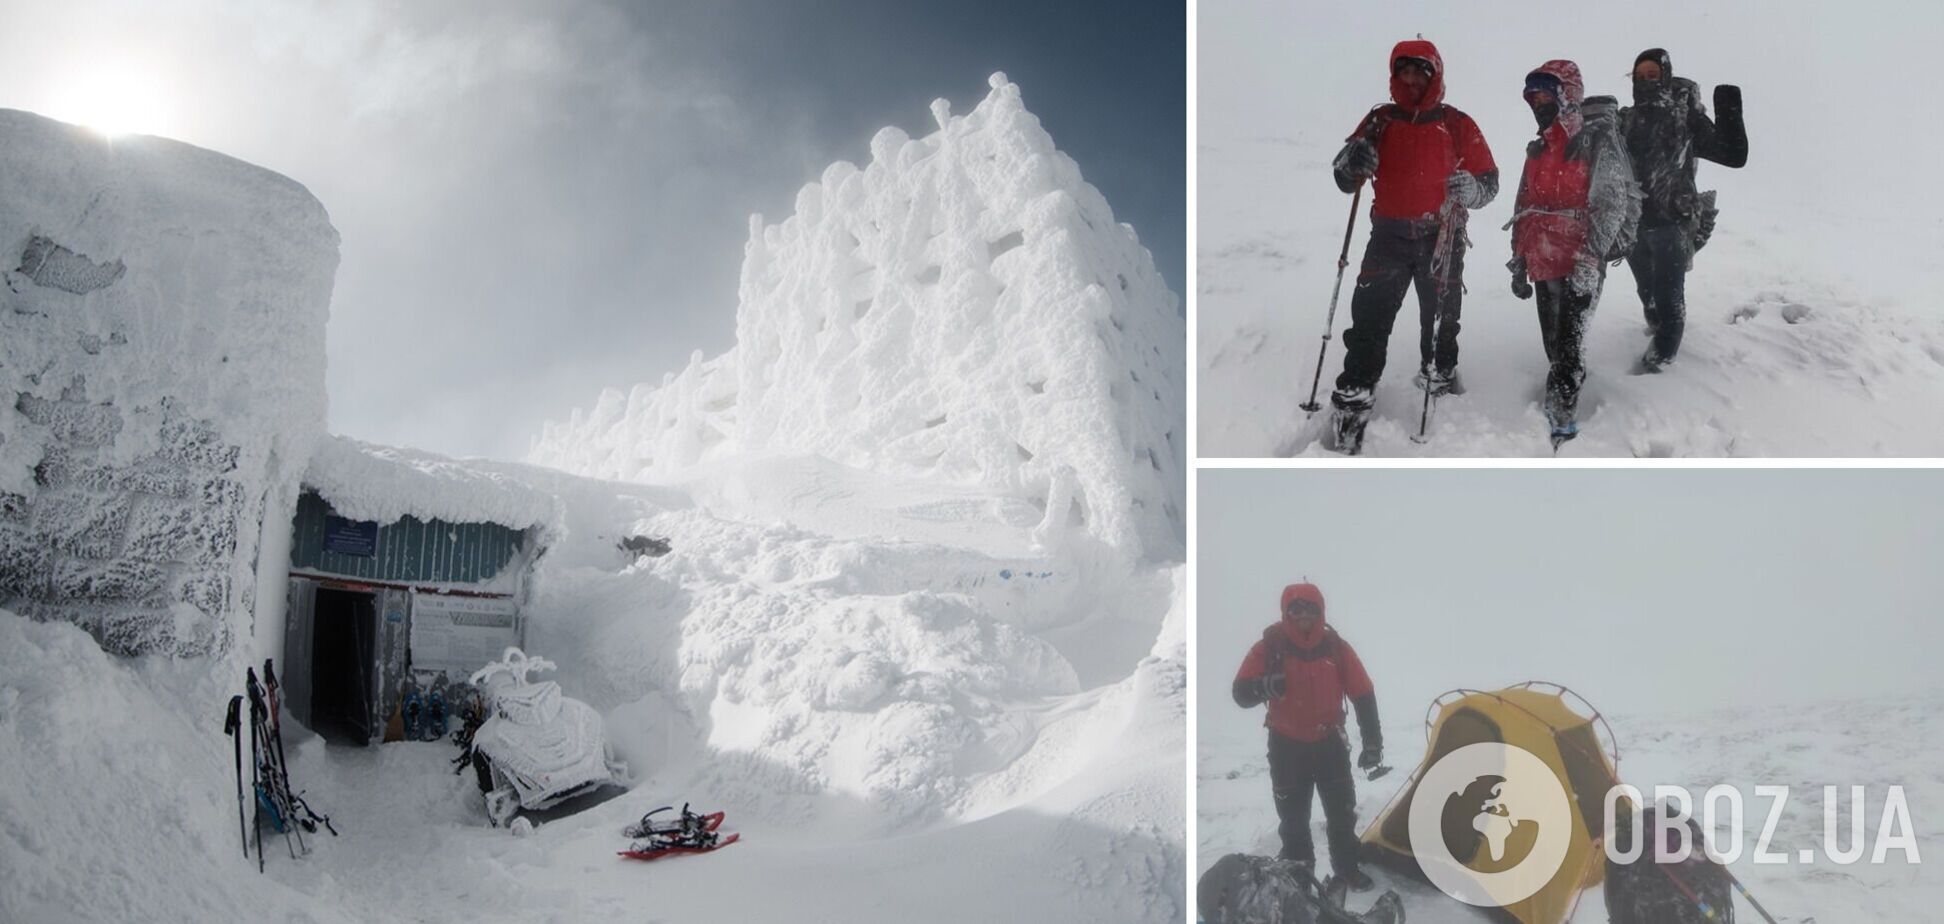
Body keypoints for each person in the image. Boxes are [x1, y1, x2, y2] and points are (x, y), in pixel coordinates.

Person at [1326, 39, 1498, 454]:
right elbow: (1343, 175)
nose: (1412, 79)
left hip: (1442, 236)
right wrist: (1352, 162)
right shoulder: (1379, 120)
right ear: (1395, 74)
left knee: (1441, 317)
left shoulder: (1458, 124)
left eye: (1421, 71)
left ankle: (1439, 374)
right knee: (1369, 317)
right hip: (1387, 235)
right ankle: (1355, 391)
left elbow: (1489, 181)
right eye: (1404, 71)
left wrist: (1472, 190)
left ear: (1434, 74)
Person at [1505, 61, 1639, 448]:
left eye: (1548, 94)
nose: (1540, 103)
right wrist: (1519, 258)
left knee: (1568, 345)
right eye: (1535, 97)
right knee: (1553, 341)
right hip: (1544, 258)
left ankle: (1562, 416)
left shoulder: (1597, 139)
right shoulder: (1539, 147)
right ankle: (1565, 386)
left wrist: (1591, 256)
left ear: (1568, 95)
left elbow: (1611, 200)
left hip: (1582, 258)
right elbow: (1524, 203)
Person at [1233, 582, 1382, 891]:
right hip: (1287, 747)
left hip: (1330, 744)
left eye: (1310, 609)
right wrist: (1265, 686)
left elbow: (1363, 694)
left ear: (1321, 611)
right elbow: (1240, 692)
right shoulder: (1269, 646)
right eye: (1296, 609)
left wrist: (1372, 743)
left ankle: (1346, 869)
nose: (1303, 615)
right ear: (1286, 613)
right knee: (1293, 820)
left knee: (1342, 814)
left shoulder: (1336, 647)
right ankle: (1300, 874)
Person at [1620, 49, 1748, 372]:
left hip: (1672, 224)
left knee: (1668, 300)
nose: (1646, 81)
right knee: (1648, 297)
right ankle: (1656, 329)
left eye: (1653, 75)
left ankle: (1658, 368)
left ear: (1664, 77)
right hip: (1634, 225)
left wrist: (1728, 105)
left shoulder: (1684, 117)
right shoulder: (1626, 120)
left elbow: (1732, 154)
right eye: (1640, 75)